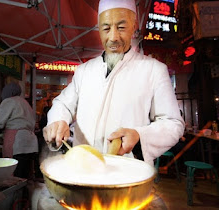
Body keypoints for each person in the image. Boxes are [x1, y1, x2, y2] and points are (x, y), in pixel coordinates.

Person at [42, 0, 185, 166]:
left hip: (127, 175)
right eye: (106, 28)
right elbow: (63, 104)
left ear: (133, 26)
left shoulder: (154, 70)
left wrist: (140, 135)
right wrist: (58, 121)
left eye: (121, 27)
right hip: (83, 170)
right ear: (99, 30)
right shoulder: (84, 71)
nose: (113, 37)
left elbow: (173, 124)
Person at [0, 83, 38, 178]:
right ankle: (26, 192)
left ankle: (16, 192)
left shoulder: (9, 101)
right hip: (30, 143)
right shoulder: (25, 103)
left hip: (17, 142)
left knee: (14, 174)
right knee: (25, 175)